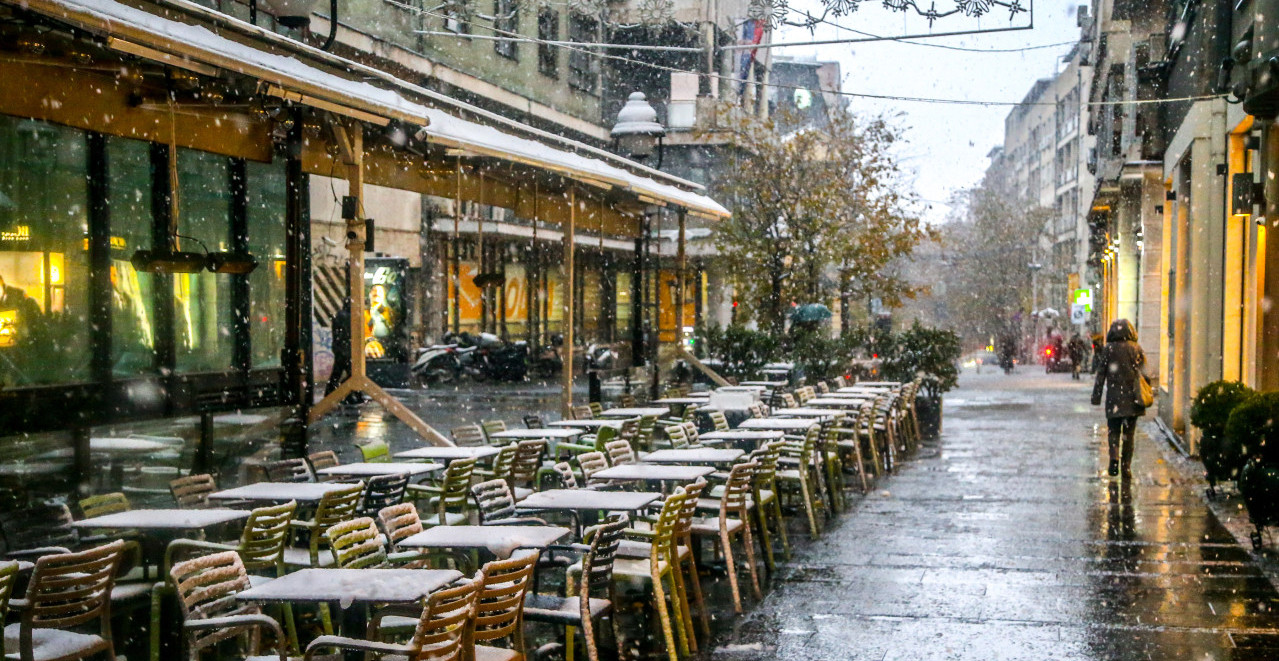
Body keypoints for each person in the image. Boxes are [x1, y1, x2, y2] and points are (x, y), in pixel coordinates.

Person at [1091, 319, 1147, 477]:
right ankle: (1126, 466)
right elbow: (1145, 373)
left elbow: (1101, 373)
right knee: (1129, 435)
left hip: (1114, 398)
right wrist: (1147, 389)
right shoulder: (1136, 349)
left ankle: (1114, 459)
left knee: (1113, 431)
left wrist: (1096, 396)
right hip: (1132, 398)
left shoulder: (1109, 349)